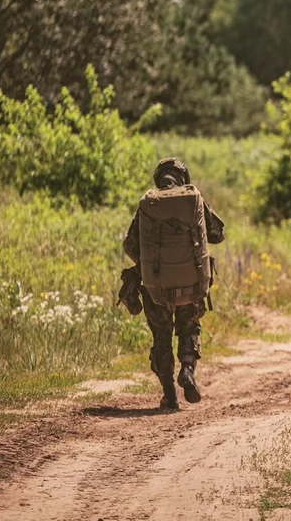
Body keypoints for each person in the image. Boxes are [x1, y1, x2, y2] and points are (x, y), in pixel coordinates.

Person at [121, 158, 226, 410]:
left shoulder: (149, 204)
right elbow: (218, 234)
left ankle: (169, 395)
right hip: (191, 285)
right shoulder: (194, 200)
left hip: (155, 288)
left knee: (161, 337)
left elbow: (130, 246)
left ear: (158, 179)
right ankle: (187, 371)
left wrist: (152, 265)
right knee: (189, 329)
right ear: (184, 177)